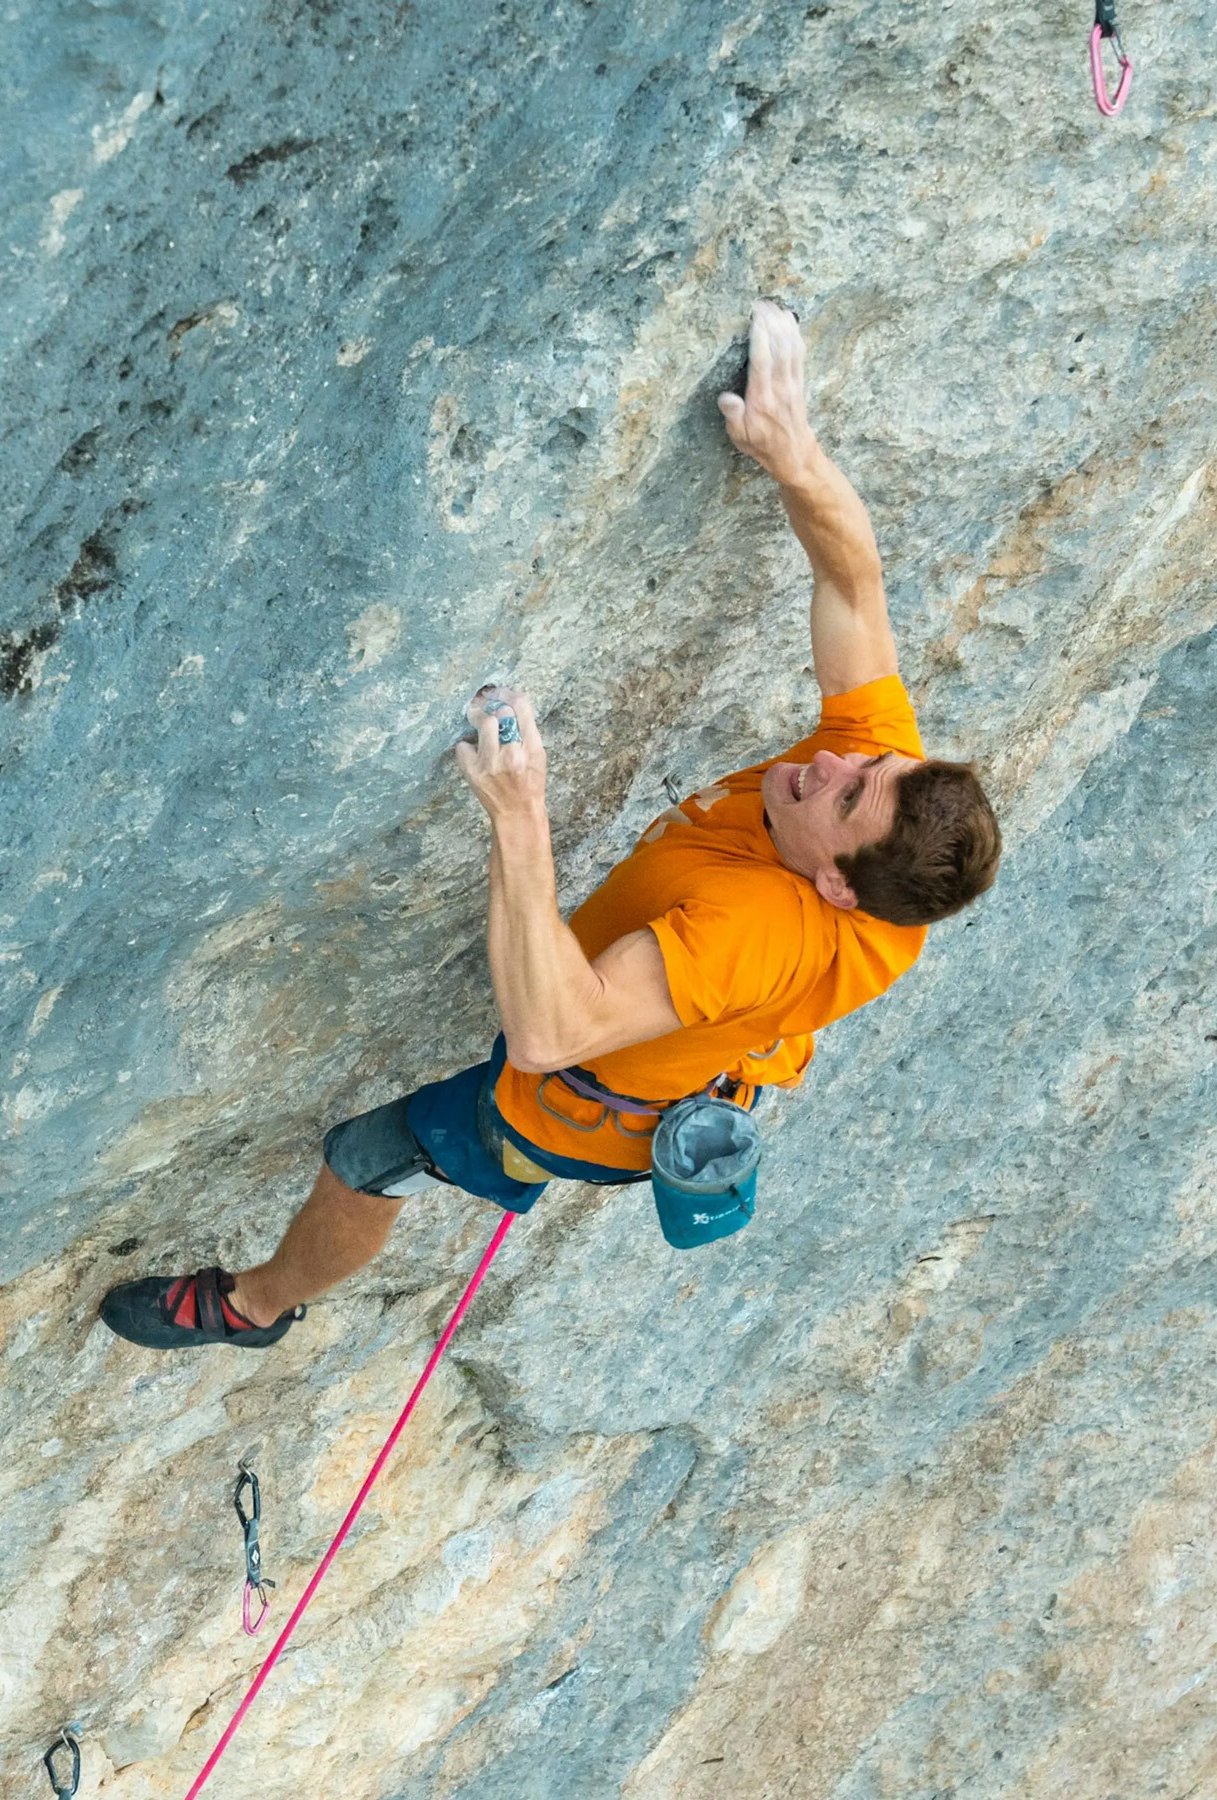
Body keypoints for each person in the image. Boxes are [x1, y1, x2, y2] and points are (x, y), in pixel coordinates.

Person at [99, 299, 1001, 1350]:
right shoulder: (876, 795)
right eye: (868, 761)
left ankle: (252, 1306)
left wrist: (520, 815)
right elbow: (854, 584)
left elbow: (552, 1030)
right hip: (694, 1033)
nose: (832, 761)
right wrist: (794, 457)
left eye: (846, 795)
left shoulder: (761, 929)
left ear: (838, 886)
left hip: (579, 1099)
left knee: (365, 1153)